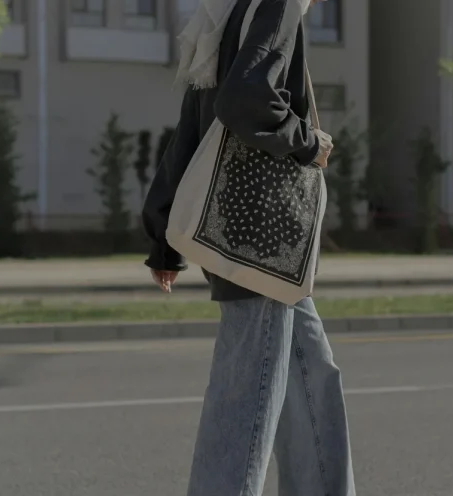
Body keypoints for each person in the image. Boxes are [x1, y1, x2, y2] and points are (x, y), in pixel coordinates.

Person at [141, 0, 356, 494]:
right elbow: (242, 99)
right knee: (246, 398)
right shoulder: (276, 4)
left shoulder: (223, 12)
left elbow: (193, 125)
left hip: (242, 233)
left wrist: (162, 236)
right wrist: (309, 143)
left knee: (311, 380)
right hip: (262, 237)